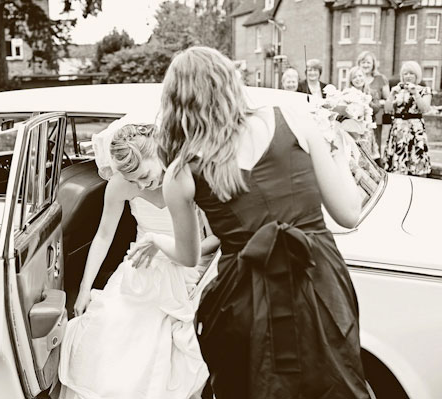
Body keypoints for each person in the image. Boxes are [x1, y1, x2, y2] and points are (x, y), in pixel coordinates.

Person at [129, 46, 369, 399]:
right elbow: (350, 214)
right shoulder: (296, 120)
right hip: (319, 282)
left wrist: (155, 240)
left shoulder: (180, 173)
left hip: (247, 299)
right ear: (231, 82)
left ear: (176, 102)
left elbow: (188, 255)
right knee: (333, 382)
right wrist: (340, 150)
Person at [58, 123, 219, 399]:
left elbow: (215, 239)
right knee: (110, 325)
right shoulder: (120, 185)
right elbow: (104, 236)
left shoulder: (186, 180)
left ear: (159, 153)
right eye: (134, 181)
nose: (143, 185)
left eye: (145, 175)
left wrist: (167, 248)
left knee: (165, 343)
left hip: (189, 267)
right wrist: (85, 290)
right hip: (140, 265)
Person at [383, 61, 432, 176]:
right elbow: (387, 109)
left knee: (416, 159)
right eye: (405, 74)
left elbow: (425, 108)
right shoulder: (397, 90)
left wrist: (415, 93)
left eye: (411, 73)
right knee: (397, 166)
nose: (408, 76)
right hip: (398, 129)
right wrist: (391, 95)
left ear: (417, 75)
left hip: (415, 129)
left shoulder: (424, 90)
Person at [356, 51, 391, 156]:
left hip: (376, 116)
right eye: (363, 62)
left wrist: (375, 102)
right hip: (358, 117)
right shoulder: (356, 77)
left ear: (373, 64)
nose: (365, 65)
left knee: (375, 144)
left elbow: (388, 99)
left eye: (368, 62)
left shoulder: (380, 79)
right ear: (359, 64)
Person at [348, 65, 381, 160]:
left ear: (364, 77)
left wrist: (367, 101)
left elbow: (377, 109)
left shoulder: (372, 92)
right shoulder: (348, 93)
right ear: (351, 80)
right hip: (353, 130)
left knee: (368, 157)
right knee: (355, 156)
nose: (358, 79)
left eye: (360, 76)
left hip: (368, 130)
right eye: (354, 77)